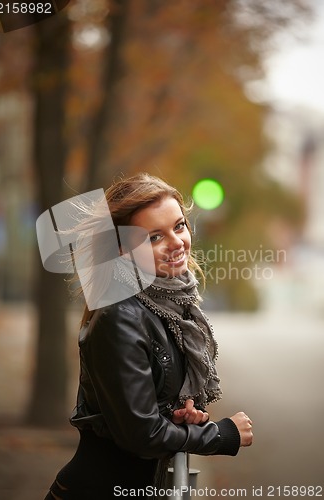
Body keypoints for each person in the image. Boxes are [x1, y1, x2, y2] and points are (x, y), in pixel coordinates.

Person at [44, 173, 253, 500]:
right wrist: (221, 435)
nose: (176, 243)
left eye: (179, 226)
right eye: (153, 237)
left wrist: (177, 414)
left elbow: (140, 408)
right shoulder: (120, 316)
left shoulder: (169, 308)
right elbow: (142, 435)